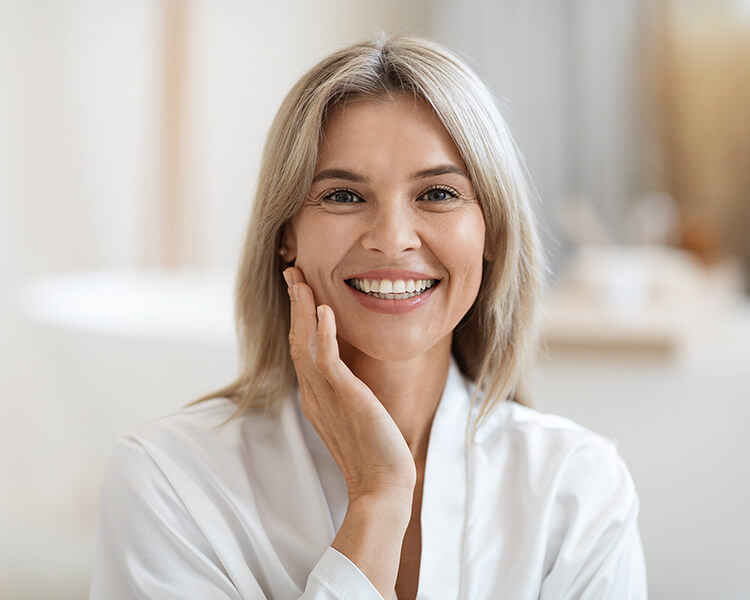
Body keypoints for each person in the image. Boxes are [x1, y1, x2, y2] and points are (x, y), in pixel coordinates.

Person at [89, 35, 647, 600]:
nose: (392, 240)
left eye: (436, 193)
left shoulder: (577, 489)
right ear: (286, 235)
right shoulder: (169, 482)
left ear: (492, 233)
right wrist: (378, 500)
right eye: (342, 196)